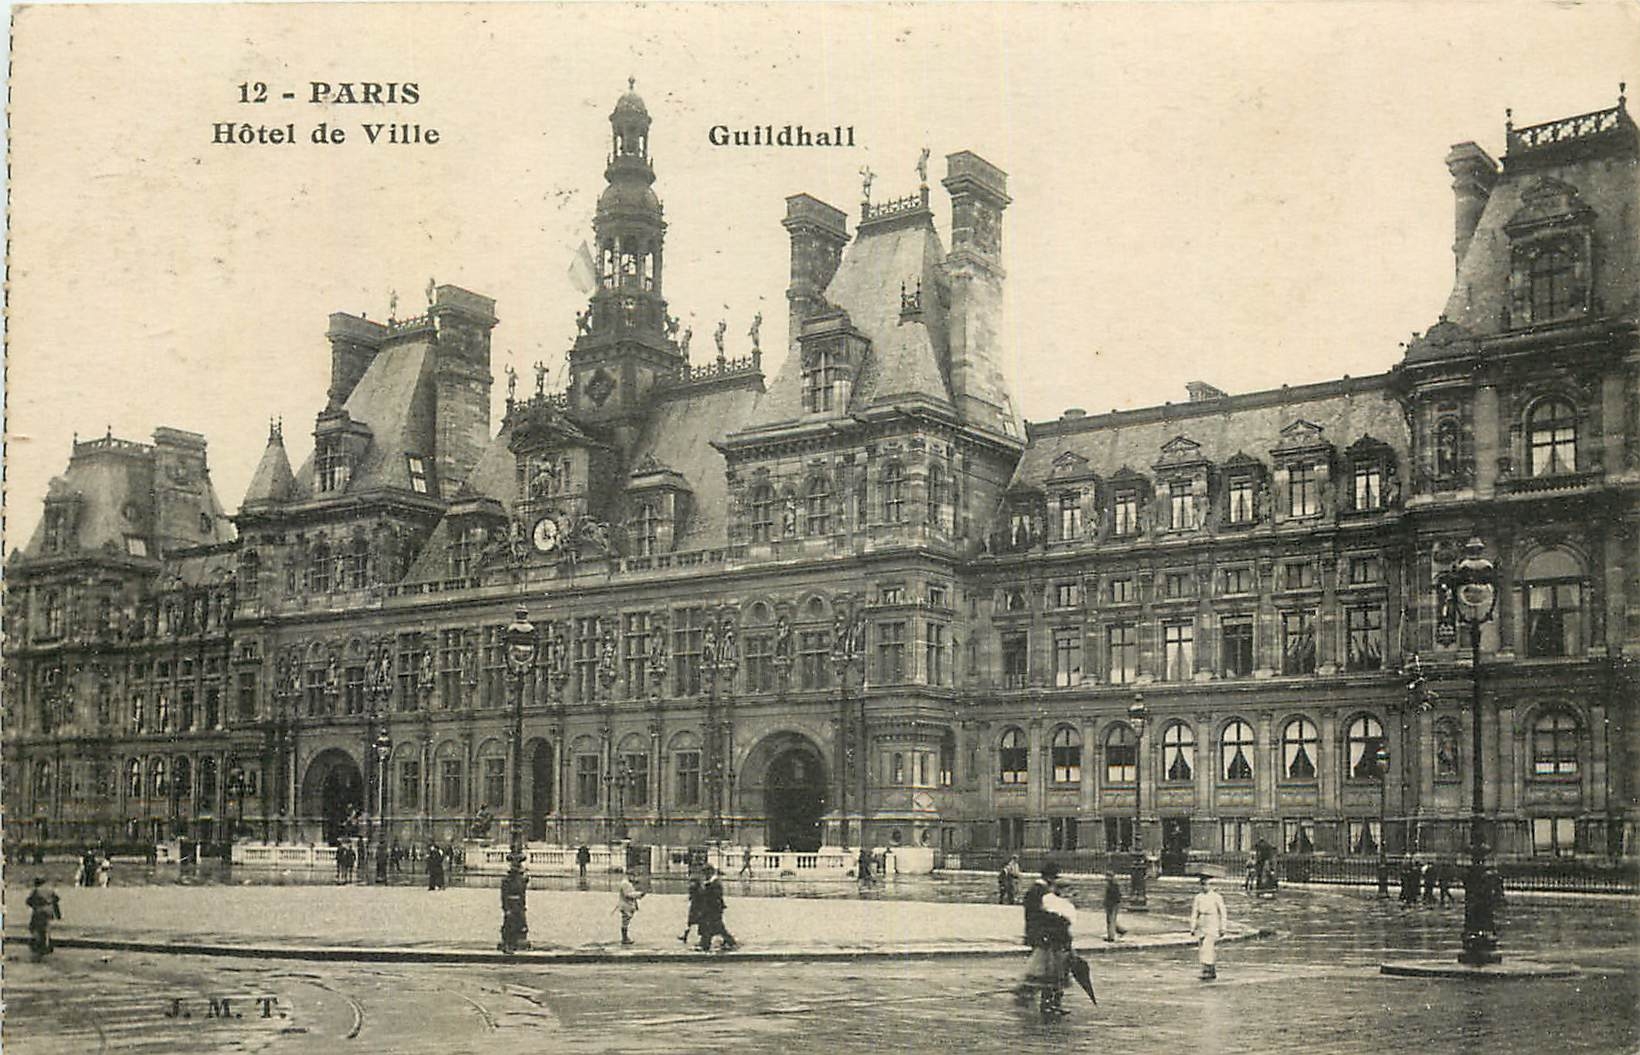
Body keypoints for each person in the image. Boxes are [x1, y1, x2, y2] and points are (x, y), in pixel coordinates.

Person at [1190, 875, 1229, 981]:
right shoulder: (1198, 897)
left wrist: (1223, 927)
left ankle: (1207, 970)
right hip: (1202, 922)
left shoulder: (1216, 897)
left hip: (1212, 921)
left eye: (1206, 884)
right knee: (1202, 946)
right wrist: (1193, 926)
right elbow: (1194, 912)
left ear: (1211, 886)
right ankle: (1209, 969)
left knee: (1208, 946)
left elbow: (1223, 912)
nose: (1204, 887)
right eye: (1202, 884)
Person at [695, 865, 737, 952]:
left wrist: (705, 889)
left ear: (710, 872)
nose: (704, 876)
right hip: (710, 909)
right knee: (713, 927)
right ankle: (706, 944)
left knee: (714, 927)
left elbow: (714, 897)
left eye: (705, 873)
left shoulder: (715, 883)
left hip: (714, 909)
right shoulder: (710, 882)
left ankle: (705, 945)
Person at [499, 854, 530, 953]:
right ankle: (508, 943)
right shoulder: (507, 881)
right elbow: (504, 895)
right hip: (511, 904)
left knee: (519, 923)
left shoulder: (521, 880)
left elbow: (522, 894)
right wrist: (506, 908)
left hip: (518, 905)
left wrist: (523, 905)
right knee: (509, 924)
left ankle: (516, 941)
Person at [27, 877, 62, 959]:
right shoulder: (50, 890)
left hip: (39, 911)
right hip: (49, 911)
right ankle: (47, 945)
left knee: (35, 928)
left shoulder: (36, 890)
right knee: (46, 928)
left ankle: (38, 945)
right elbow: (56, 901)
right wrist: (58, 914)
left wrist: (35, 906)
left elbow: (29, 901)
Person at [617, 873, 645, 945]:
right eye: (633, 876)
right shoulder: (625, 884)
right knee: (625, 922)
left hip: (628, 905)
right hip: (626, 906)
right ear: (628, 875)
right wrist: (639, 895)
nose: (634, 878)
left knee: (626, 922)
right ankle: (624, 938)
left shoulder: (628, 883)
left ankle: (625, 937)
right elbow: (628, 894)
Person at [681, 869, 704, 944]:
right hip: (695, 907)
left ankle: (702, 938)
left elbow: (696, 896)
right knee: (691, 922)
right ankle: (685, 935)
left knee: (699, 923)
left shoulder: (696, 887)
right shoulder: (696, 887)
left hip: (697, 907)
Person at [1103, 871, 1128, 941]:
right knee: (1111, 919)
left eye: (1108, 876)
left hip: (1112, 904)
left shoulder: (1113, 885)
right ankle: (1121, 930)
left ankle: (1111, 936)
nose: (1106, 878)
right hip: (1111, 904)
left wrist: (1112, 903)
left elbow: (1115, 895)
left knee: (1111, 920)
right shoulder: (1111, 884)